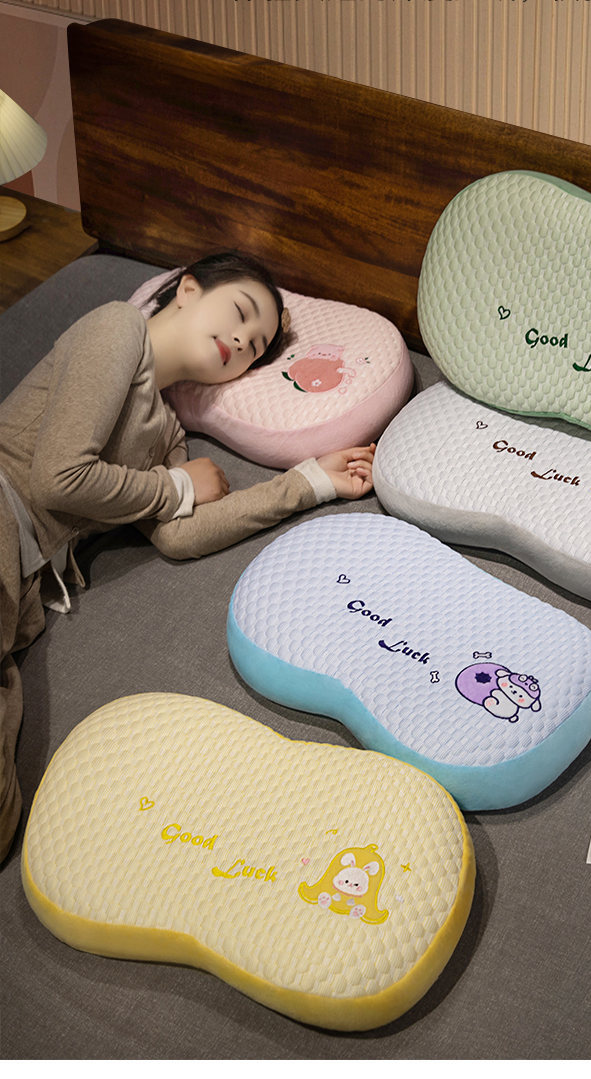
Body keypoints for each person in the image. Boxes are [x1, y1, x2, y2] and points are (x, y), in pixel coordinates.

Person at [0, 251, 376, 861]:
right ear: (190, 289)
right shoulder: (117, 328)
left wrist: (311, 482)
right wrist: (177, 486)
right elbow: (57, 477)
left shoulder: (168, 432)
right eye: (240, 312)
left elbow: (178, 535)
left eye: (256, 347)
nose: (242, 340)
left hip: (20, 598)